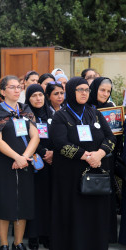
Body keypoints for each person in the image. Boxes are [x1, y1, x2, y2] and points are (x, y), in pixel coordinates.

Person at [49, 77, 116, 250]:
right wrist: (86, 156)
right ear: (71, 91)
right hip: (70, 176)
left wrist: (99, 154)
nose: (84, 93)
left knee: (95, 214)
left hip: (96, 173)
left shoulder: (95, 113)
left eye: (87, 90)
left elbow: (111, 137)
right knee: (74, 214)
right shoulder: (60, 116)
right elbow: (60, 143)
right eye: (80, 90)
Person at [0, 75, 39, 250]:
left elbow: (35, 136)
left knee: (23, 202)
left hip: (25, 162)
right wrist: (16, 157)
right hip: (3, 163)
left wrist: (24, 157)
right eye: (12, 87)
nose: (17, 90)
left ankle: (18, 243)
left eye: (19, 87)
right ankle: (3, 244)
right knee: (4, 201)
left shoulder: (25, 109)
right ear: (2, 91)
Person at [86, 77, 118, 243]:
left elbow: (114, 136)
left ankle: (106, 235)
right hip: (87, 160)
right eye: (102, 90)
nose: (105, 94)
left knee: (105, 195)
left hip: (107, 159)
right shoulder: (84, 108)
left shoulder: (113, 109)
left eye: (108, 91)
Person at [24, 84, 54, 250]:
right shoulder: (25, 116)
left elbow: (59, 135)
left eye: (41, 95)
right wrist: (44, 152)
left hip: (51, 164)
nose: (38, 98)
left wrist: (53, 153)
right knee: (35, 200)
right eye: (34, 95)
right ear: (28, 98)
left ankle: (47, 234)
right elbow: (25, 138)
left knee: (48, 199)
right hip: (34, 163)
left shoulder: (52, 114)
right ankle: (33, 236)